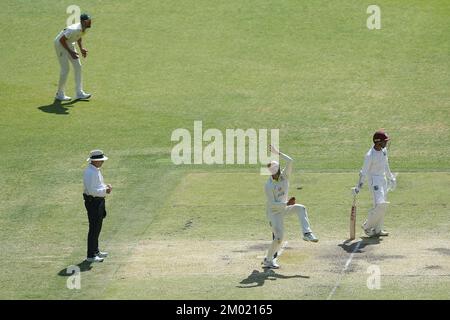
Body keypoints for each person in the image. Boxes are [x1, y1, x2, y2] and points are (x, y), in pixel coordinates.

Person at [262, 145, 318, 269]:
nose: (277, 174)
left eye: (278, 170)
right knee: (279, 238)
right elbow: (272, 204)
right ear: (272, 173)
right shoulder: (268, 185)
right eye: (275, 172)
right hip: (274, 213)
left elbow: (290, 161)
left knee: (301, 208)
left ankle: (307, 233)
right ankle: (268, 260)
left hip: (285, 207)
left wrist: (278, 153)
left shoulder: (285, 176)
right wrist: (287, 204)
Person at [352, 129, 396, 237]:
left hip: (383, 179)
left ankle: (378, 229)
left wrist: (391, 177)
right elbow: (363, 172)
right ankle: (367, 227)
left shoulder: (384, 151)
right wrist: (358, 187)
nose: (386, 143)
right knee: (380, 205)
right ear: (377, 142)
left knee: (382, 206)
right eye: (384, 141)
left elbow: (386, 165)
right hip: (374, 181)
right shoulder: (369, 155)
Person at [54, 13, 92, 101]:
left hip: (69, 43)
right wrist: (71, 52)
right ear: (82, 22)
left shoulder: (84, 28)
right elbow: (61, 40)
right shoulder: (73, 29)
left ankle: (79, 93)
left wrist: (81, 48)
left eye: (89, 21)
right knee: (65, 69)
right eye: (87, 21)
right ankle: (59, 94)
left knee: (78, 67)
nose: (89, 23)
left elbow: (79, 37)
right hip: (60, 45)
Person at [83, 150, 112, 262]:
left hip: (98, 201)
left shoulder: (95, 170)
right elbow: (92, 191)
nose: (102, 162)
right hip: (93, 202)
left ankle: (96, 251)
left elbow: (97, 185)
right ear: (95, 161)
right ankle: (91, 255)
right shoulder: (90, 172)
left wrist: (105, 187)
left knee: (97, 227)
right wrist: (106, 190)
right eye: (100, 160)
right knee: (94, 228)